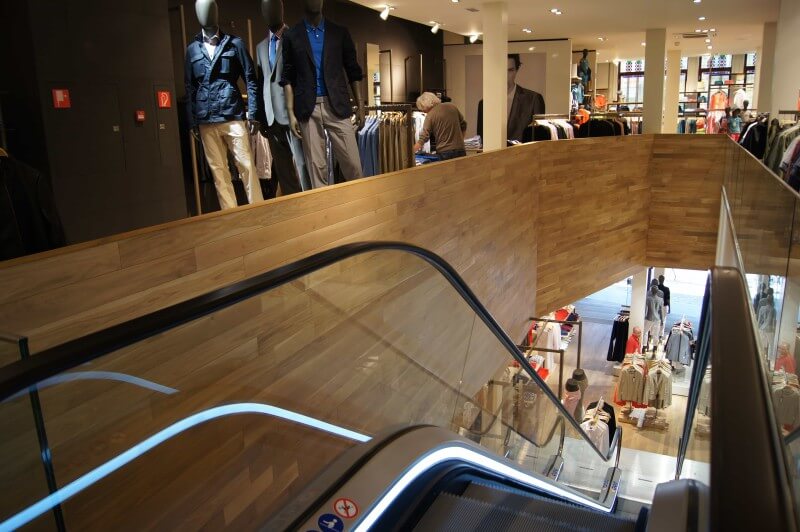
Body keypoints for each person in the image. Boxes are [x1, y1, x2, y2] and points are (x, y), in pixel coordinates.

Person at [281, 0, 365, 189]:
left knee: (353, 165)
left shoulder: (339, 33)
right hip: (307, 108)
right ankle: (326, 215)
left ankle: (359, 206)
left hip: (337, 104)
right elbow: (287, 77)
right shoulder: (292, 35)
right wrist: (290, 112)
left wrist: (360, 104)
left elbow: (353, 71)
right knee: (316, 170)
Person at [476, 54, 546, 143]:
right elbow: (482, 138)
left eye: (510, 70)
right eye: (502, 70)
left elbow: (539, 138)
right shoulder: (484, 103)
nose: (505, 75)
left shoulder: (533, 99)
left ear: (516, 70)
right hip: (494, 154)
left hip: (524, 154)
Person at [414, 92, 467, 161]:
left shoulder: (430, 115)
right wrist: (460, 140)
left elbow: (423, 137)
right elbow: (464, 125)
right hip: (461, 150)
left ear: (425, 105)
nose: (423, 112)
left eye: (422, 108)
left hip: (445, 153)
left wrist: (412, 151)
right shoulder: (452, 106)